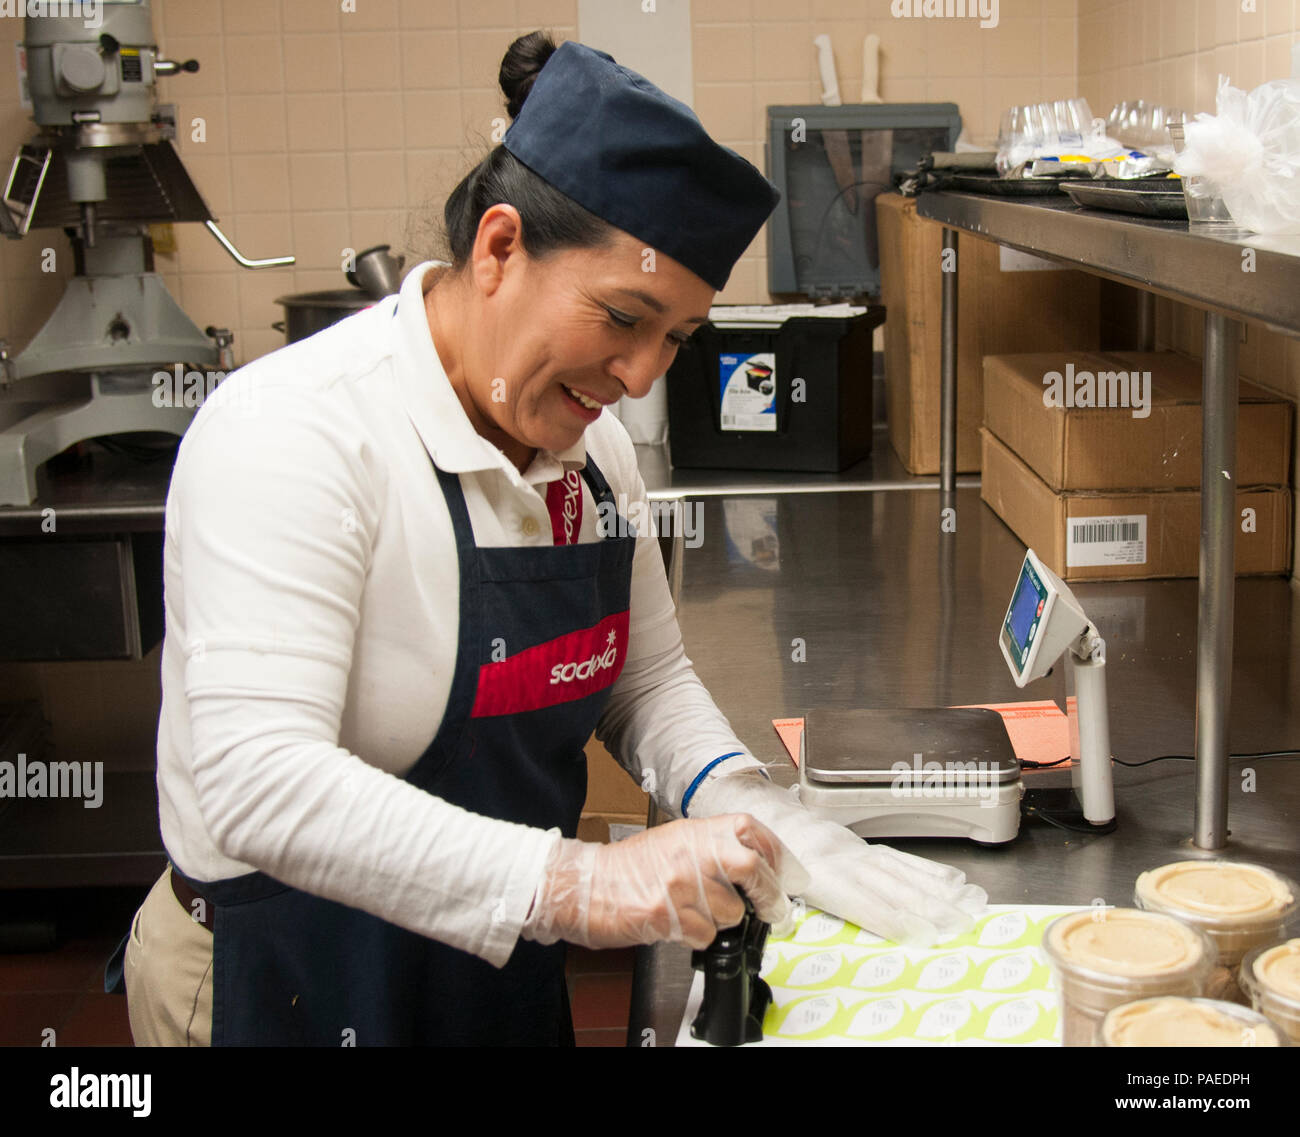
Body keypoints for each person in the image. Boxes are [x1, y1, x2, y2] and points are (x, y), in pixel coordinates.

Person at [105, 31, 986, 1046]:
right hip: (292, 975)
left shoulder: (592, 452)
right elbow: (259, 784)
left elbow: (642, 685)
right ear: (498, 248)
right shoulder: (294, 433)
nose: (643, 375)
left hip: (491, 961)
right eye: (623, 317)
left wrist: (758, 805)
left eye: (676, 340)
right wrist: (580, 881)